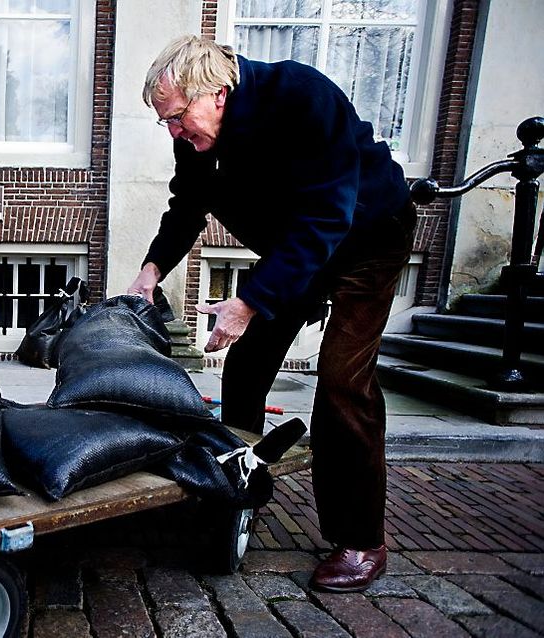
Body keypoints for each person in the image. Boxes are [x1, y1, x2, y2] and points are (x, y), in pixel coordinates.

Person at [128, 35, 415, 593]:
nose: (175, 133)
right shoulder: (195, 135)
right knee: (247, 365)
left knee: (341, 382)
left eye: (178, 117)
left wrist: (249, 302)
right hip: (295, 247)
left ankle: (361, 538)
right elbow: (188, 203)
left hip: (365, 240)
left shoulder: (304, 97)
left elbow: (329, 215)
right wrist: (151, 270)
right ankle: (242, 486)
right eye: (166, 123)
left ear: (218, 92)